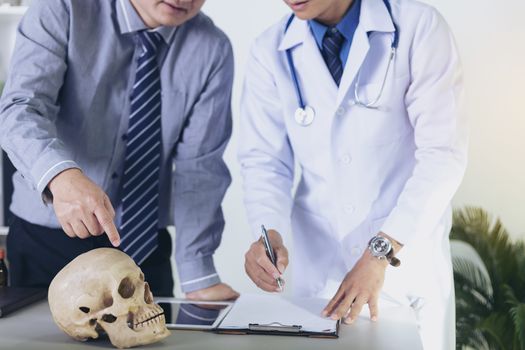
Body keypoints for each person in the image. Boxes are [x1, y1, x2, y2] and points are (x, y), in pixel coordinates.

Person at [239, 0, 467, 348]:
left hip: (404, 272)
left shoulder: (418, 26)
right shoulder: (270, 50)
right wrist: (268, 233)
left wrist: (380, 252)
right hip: (322, 275)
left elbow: (443, 155)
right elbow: (264, 162)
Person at [0, 0, 238, 300]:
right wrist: (60, 177)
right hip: (47, 241)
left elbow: (200, 169)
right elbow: (20, 108)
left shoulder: (212, 48)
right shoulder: (63, 8)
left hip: (143, 251)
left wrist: (198, 275)